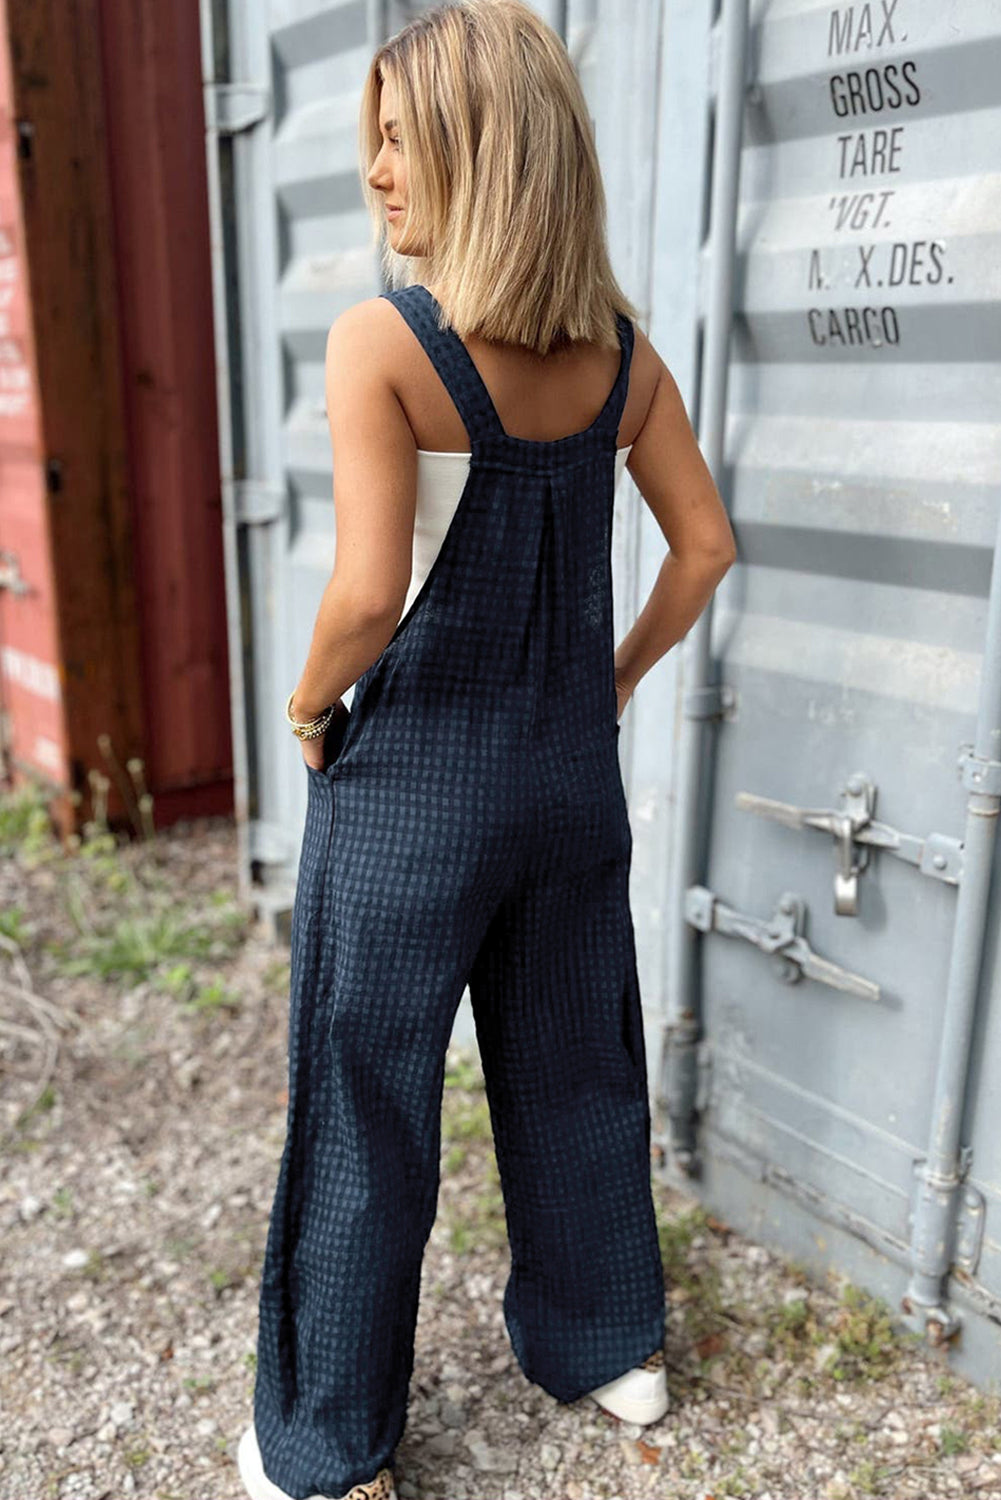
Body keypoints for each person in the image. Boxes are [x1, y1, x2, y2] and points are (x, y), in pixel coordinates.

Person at [237, 3, 736, 1497]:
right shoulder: (623, 359)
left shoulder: (383, 342)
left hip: (410, 799)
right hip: (568, 789)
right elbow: (705, 549)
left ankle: (329, 1447)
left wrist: (306, 709)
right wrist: (609, 681)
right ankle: (611, 1350)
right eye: (373, 139)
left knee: (365, 1102)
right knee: (576, 1068)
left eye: (402, 139)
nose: (376, 170)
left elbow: (363, 596)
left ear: (483, 148)